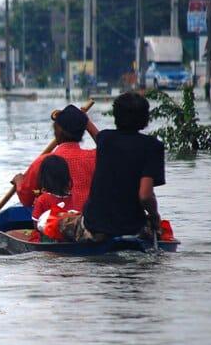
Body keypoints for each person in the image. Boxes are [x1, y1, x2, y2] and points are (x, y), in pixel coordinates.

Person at [60, 91, 165, 242]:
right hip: (133, 228)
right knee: (156, 230)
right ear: (146, 118)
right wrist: (155, 217)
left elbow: (144, 195)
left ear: (116, 116)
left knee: (60, 222)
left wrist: (83, 118)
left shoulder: (105, 140)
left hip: (93, 227)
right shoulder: (153, 147)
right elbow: (146, 196)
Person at [12, 104, 99, 213]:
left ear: (58, 130)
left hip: (55, 225)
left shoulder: (44, 161)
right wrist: (87, 123)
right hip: (89, 222)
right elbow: (107, 147)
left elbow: (26, 199)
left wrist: (19, 182)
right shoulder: (95, 157)